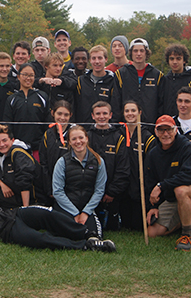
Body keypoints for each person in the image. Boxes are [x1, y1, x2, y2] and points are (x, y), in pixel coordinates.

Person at [0, 200, 116, 252]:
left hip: (13, 213)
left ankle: (87, 234)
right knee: (38, 239)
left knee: (47, 215)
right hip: (8, 231)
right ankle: (85, 246)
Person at [145, 115, 191, 251]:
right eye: (161, 130)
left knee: (181, 190)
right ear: (156, 132)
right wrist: (153, 206)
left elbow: (188, 176)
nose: (165, 134)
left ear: (176, 130)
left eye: (169, 129)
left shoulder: (187, 147)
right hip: (172, 197)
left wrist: (161, 186)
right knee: (151, 233)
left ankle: (186, 236)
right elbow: (150, 181)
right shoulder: (153, 154)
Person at [52, 125, 107, 240]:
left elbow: (99, 190)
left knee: (95, 235)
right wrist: (75, 213)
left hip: (87, 207)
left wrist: (86, 212)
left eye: (81, 138)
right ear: (69, 142)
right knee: (65, 234)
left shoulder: (98, 161)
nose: (78, 142)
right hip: (66, 207)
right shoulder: (62, 162)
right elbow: (57, 192)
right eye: (74, 139)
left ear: (87, 138)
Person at [87, 101, 130, 231]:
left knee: (111, 227)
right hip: (90, 192)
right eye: (98, 114)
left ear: (110, 115)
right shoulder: (86, 137)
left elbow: (123, 168)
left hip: (111, 195)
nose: (101, 117)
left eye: (105, 113)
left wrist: (111, 192)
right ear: (92, 116)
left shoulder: (119, 138)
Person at [118, 101, 157, 231]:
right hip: (123, 186)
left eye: (133, 111)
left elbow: (151, 165)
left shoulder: (147, 137)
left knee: (137, 225)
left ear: (139, 113)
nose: (130, 114)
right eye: (127, 111)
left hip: (139, 186)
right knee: (124, 224)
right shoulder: (118, 133)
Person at [111, 38, 164, 127]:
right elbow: (116, 103)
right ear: (131, 53)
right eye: (135, 51)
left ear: (146, 53)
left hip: (150, 126)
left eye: (141, 51)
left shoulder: (157, 75)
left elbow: (161, 104)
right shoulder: (121, 74)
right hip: (127, 127)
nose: (138, 54)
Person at [3, 63, 48, 154]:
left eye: (31, 75)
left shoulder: (42, 97)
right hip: (17, 147)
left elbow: (47, 122)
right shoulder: (12, 99)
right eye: (25, 75)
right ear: (19, 77)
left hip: (38, 147)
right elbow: (8, 125)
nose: (28, 78)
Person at [0, 125, 36, 208]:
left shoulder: (18, 153)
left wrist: (25, 208)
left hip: (33, 198)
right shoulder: (2, 157)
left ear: (12, 140)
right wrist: (2, 185)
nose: (1, 144)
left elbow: (24, 180)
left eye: (4, 140)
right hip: (14, 195)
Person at [37, 100, 73, 206]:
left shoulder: (74, 133)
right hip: (51, 186)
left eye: (66, 115)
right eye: (59, 114)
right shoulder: (48, 134)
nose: (62, 117)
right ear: (53, 113)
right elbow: (43, 163)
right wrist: (50, 188)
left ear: (70, 115)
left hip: (69, 188)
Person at [74, 45, 115, 125]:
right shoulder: (81, 81)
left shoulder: (112, 81)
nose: (97, 61)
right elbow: (77, 105)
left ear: (106, 59)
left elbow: (115, 107)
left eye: (100, 58)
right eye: (93, 58)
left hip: (104, 128)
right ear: (90, 60)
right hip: (84, 127)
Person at [162, 44, 191, 117]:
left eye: (178, 58)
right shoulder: (164, 80)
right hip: (167, 123)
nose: (175, 62)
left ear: (184, 60)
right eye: (172, 59)